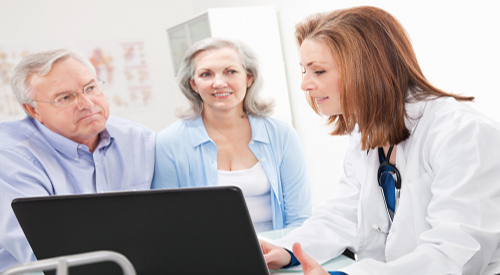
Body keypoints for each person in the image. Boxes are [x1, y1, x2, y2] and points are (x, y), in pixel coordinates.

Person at [260, 6, 500, 275]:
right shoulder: (367, 131)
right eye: (304, 71)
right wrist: (287, 251)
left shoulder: (461, 133)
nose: (305, 84)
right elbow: (346, 212)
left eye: (319, 72)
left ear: (366, 69)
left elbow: (455, 252)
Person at [0, 49, 156, 271]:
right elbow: (47, 254)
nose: (87, 103)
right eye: (65, 97)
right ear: (34, 110)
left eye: (90, 88)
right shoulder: (10, 157)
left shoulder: (140, 140)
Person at [151, 38, 312, 233]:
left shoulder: (282, 135)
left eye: (231, 71)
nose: (219, 83)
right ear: (193, 84)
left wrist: (283, 254)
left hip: (278, 253)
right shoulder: (168, 142)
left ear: (249, 78)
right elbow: (167, 223)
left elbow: (300, 218)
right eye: (206, 74)